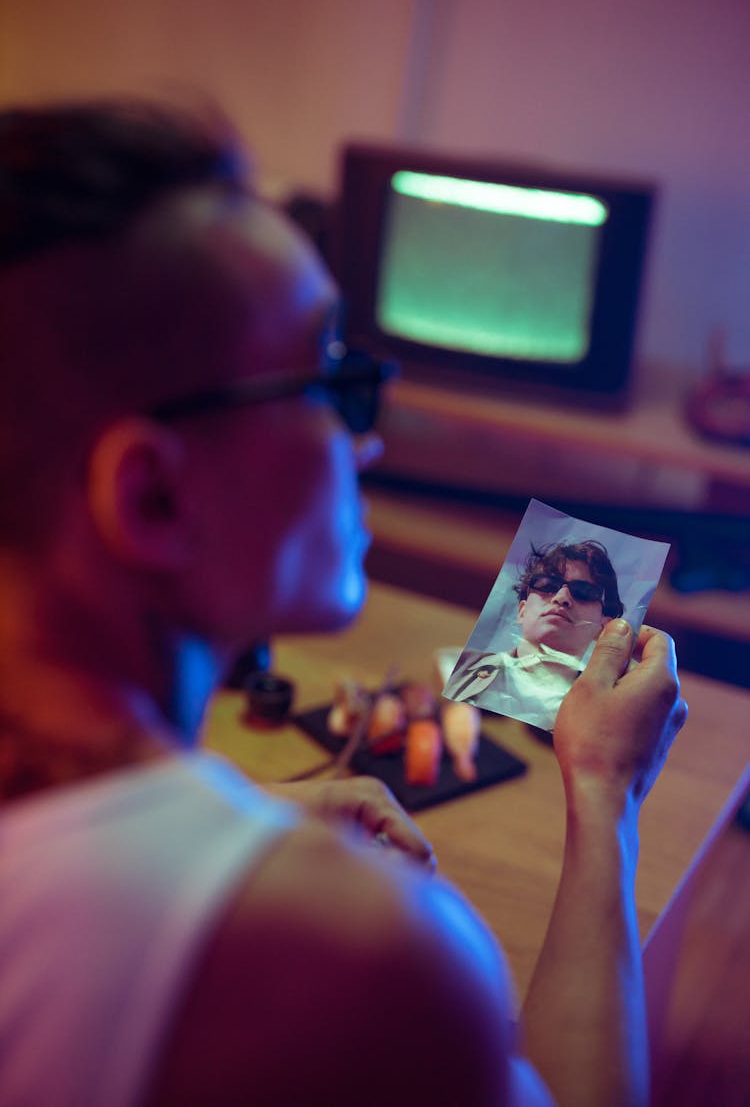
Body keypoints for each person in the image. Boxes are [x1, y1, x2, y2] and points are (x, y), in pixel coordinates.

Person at [0, 99, 687, 1107]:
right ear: (149, 495)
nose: (366, 441)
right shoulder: (368, 956)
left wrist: (253, 815)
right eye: (327, 381)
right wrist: (606, 793)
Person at [446, 540, 625, 730]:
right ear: (521, 612)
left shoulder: (603, 717)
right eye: (547, 585)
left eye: (584, 591)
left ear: (603, 627)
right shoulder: (457, 667)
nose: (562, 597)